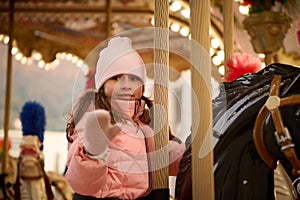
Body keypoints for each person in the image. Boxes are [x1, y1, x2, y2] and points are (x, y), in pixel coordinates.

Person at [65, 36, 185, 199]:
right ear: (102, 84)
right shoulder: (92, 118)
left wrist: (189, 152)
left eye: (134, 78)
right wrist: (93, 152)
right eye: (116, 78)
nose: (126, 84)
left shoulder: (144, 122)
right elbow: (82, 182)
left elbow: (162, 159)